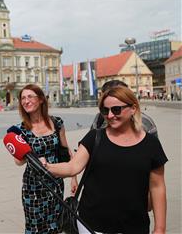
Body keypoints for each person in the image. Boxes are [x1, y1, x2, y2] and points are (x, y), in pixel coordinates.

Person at [45, 86, 167, 233]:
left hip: (135, 226)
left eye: (116, 109)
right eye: (105, 110)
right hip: (92, 226)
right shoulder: (94, 137)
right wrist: (47, 166)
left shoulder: (150, 144)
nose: (109, 115)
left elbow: (157, 187)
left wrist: (160, 228)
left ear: (133, 108)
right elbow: (73, 167)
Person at [12, 84, 78, 233]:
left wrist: (74, 178)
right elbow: (18, 162)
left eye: (30, 97)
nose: (25, 101)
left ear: (41, 99)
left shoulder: (56, 123)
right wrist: (24, 152)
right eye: (23, 98)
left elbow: (66, 152)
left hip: (55, 182)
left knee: (55, 225)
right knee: (35, 227)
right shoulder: (20, 130)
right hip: (33, 186)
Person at [91, 80, 158, 138]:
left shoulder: (145, 123)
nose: (109, 115)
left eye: (116, 109)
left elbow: (153, 149)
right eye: (104, 109)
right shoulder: (99, 119)